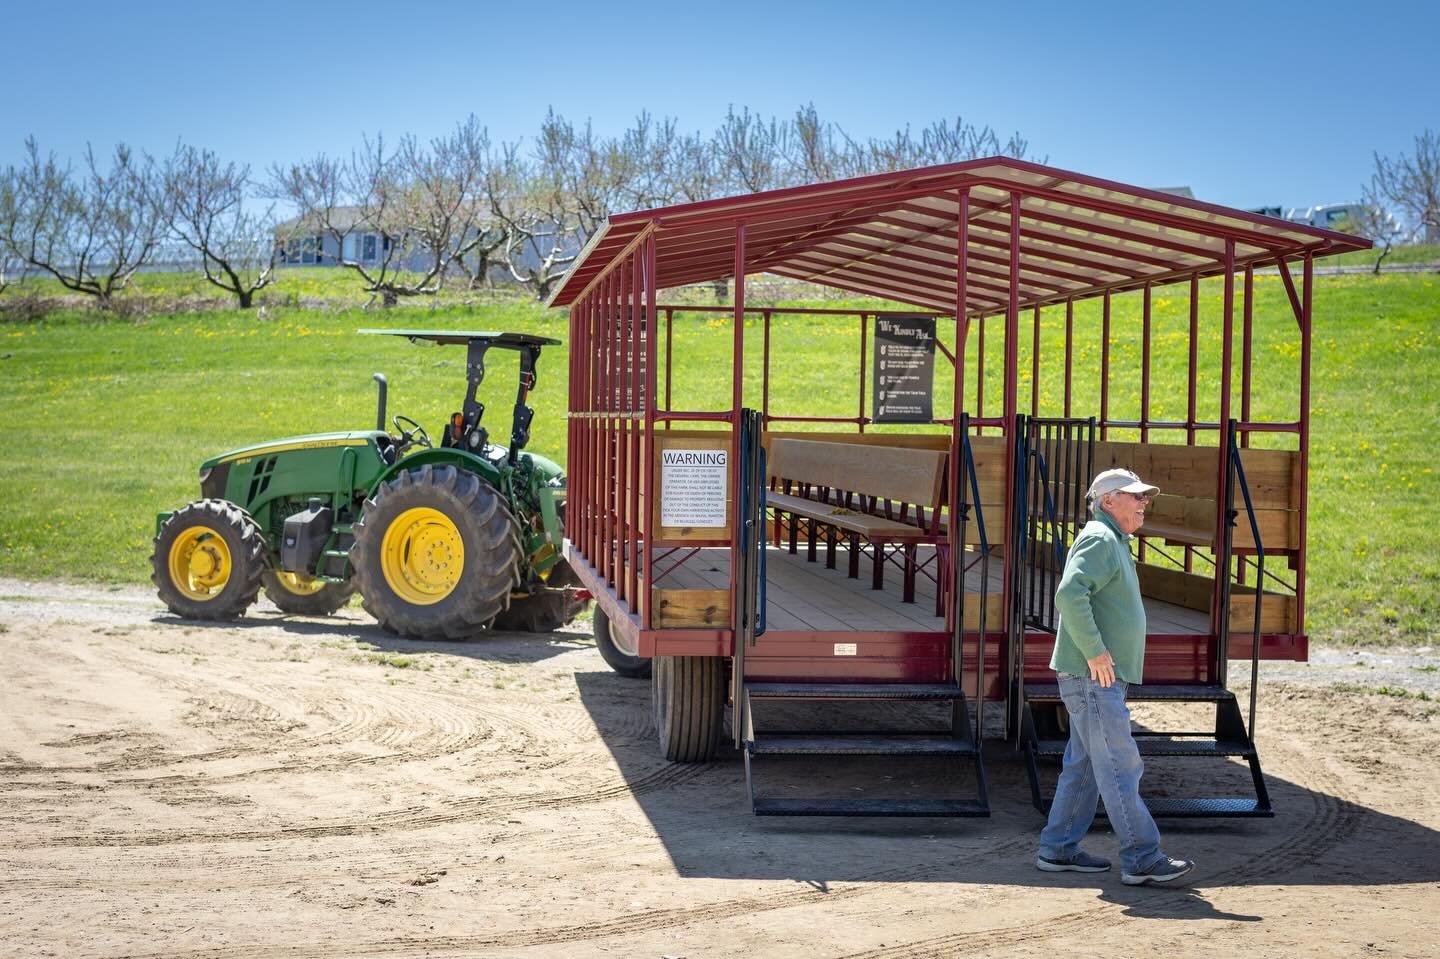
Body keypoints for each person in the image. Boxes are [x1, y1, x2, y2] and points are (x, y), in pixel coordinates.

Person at [1034, 467, 1195, 886]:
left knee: (1086, 766)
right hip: (1093, 678)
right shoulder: (1101, 538)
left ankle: (1058, 849)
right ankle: (1142, 857)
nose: (1144, 503)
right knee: (1120, 767)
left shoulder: (1111, 539)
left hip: (1092, 678)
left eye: (1145, 497)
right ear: (1109, 501)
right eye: (1135, 496)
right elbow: (1070, 593)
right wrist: (1096, 651)